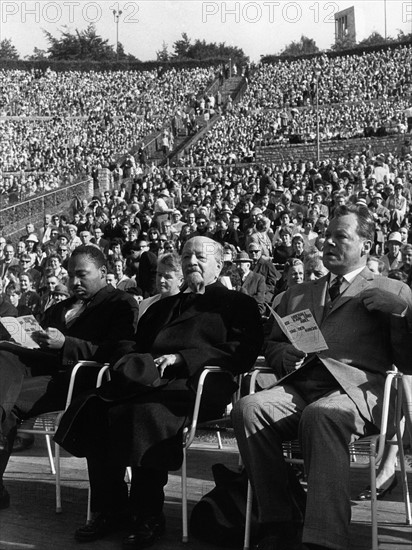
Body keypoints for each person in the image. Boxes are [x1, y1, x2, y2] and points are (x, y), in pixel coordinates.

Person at [55, 236, 263, 547]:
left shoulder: (238, 304)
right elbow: (132, 343)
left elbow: (242, 352)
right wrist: (129, 360)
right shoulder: (163, 307)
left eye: (200, 257)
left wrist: (182, 358)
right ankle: (110, 508)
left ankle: (148, 514)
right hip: (148, 379)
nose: (192, 261)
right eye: (187, 256)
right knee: (96, 407)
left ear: (218, 266)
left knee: (144, 413)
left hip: (196, 383)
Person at [233, 204, 412, 550]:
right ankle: (280, 520)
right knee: (249, 408)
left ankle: (325, 538)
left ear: (366, 245)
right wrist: (282, 354)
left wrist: (402, 313)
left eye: (340, 236)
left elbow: (407, 362)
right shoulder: (299, 293)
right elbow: (273, 343)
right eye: (326, 236)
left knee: (322, 415)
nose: (328, 242)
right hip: (300, 387)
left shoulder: (394, 290)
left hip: (361, 392)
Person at [0, 245, 139, 509]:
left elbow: (116, 350)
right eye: (70, 275)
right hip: (43, 375)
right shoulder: (59, 307)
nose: (74, 281)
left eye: (81, 275)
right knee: (3, 355)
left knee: (7, 403)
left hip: (82, 379)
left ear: (103, 272)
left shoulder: (120, 303)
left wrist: (66, 343)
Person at [138, 253, 183, 320]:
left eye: (167, 277)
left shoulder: (184, 309)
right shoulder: (145, 304)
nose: (161, 280)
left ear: (181, 281)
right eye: (159, 275)